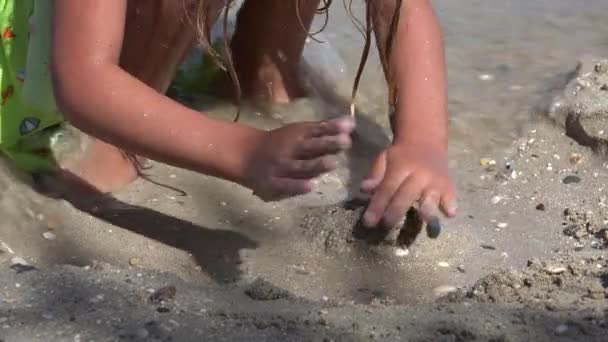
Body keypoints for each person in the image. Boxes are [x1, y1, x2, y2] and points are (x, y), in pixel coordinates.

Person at [0, 0, 456, 229]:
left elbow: (401, 8)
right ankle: (109, 151)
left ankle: (268, 86)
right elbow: (83, 80)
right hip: (31, 86)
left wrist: (421, 141)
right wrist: (243, 150)